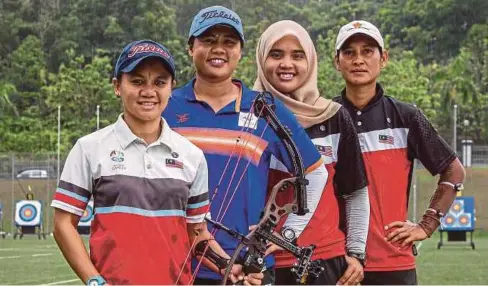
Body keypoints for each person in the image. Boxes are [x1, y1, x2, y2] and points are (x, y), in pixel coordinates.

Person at [50, 39, 259, 285]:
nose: (148, 91)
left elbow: (197, 233)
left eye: (159, 82)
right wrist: (94, 281)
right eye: (137, 81)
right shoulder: (90, 148)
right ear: (117, 86)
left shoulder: (191, 156)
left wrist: (227, 266)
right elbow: (63, 224)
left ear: (171, 88)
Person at [163, 6, 327, 285]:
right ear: (191, 47)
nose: (219, 49)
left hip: (248, 269)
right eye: (208, 40)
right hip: (176, 264)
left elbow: (314, 172)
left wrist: (285, 234)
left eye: (229, 42)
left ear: (241, 52)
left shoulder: (265, 108)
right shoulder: (166, 105)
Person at [333, 20, 466, 285]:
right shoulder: (324, 116)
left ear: (383, 59)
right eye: (349, 52)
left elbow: (454, 170)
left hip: (393, 262)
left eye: (368, 51)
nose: (358, 59)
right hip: (336, 261)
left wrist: (426, 225)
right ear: (337, 62)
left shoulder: (407, 117)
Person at [254, 20, 370, 285]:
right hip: (258, 261)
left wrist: (356, 254)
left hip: (321, 261)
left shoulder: (334, 116)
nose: (286, 64)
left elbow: (355, 191)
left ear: (311, 62)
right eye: (276, 54)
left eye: (297, 55)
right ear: (260, 59)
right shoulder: (247, 113)